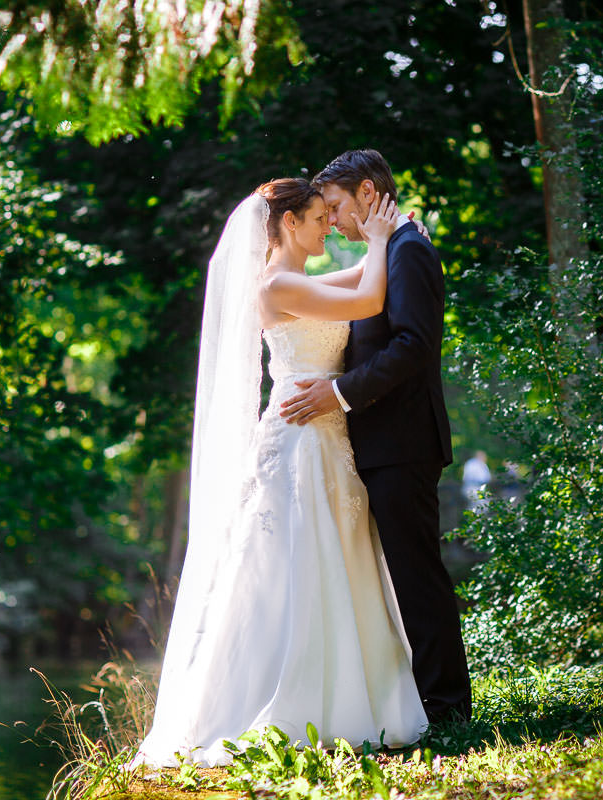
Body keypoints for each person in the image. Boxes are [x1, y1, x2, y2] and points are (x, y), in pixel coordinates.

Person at [132, 178, 427, 767]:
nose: (326, 226)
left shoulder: (298, 281)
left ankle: (358, 695)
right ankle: (287, 704)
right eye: (318, 217)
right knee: (294, 563)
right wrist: (375, 240)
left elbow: (361, 283)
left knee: (333, 559)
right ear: (289, 223)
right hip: (300, 439)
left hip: (326, 435)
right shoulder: (277, 282)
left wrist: (394, 241)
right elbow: (369, 300)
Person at [280, 149, 473, 725]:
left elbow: (412, 346)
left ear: (368, 194)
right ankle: (412, 702)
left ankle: (447, 710)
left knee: (417, 578)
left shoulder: (409, 251)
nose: (332, 219)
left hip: (402, 441)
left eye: (336, 205)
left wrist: (337, 394)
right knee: (395, 579)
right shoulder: (390, 251)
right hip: (373, 444)